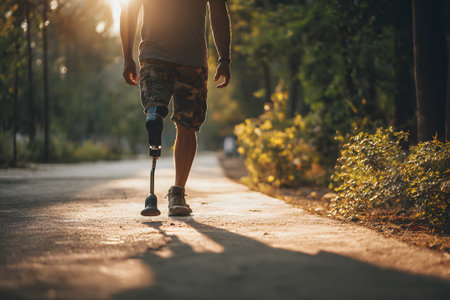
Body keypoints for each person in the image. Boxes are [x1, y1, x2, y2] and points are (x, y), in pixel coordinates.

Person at [120, 0, 231, 216]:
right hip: (192, 61)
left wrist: (127, 58)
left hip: (154, 58)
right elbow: (218, 12)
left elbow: (129, 11)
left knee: (155, 107)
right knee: (187, 127)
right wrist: (224, 58)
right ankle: (177, 194)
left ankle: (155, 112)